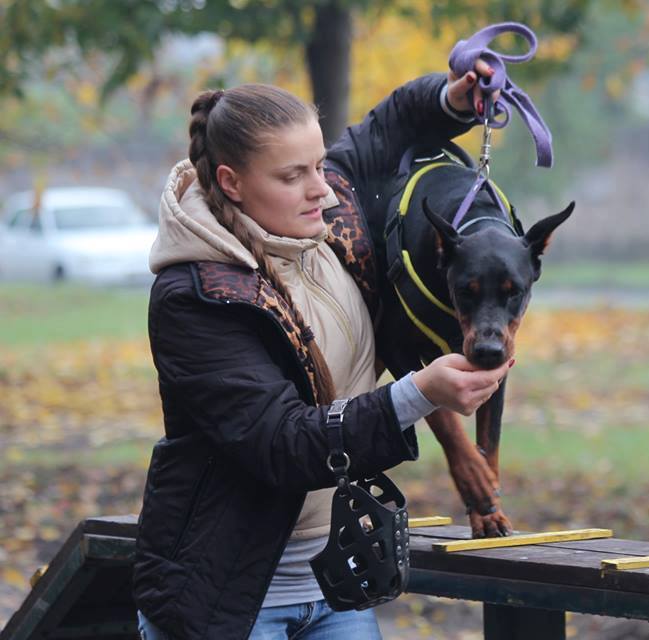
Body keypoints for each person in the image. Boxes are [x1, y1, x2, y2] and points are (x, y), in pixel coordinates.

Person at [133, 64, 509, 640]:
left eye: (318, 166)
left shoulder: (327, 215)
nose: (323, 186)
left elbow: (397, 121)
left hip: (335, 583)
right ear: (232, 183)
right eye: (293, 175)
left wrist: (454, 96)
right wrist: (417, 393)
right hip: (224, 602)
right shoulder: (195, 297)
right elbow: (284, 444)